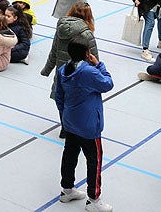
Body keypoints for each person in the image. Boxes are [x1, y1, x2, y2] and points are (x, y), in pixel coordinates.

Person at [54, 36, 115, 212]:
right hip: (88, 127)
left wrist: (66, 113)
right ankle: (94, 200)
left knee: (70, 155)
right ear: (87, 54)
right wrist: (99, 64)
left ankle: (67, 189)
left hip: (70, 121)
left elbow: (59, 96)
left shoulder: (64, 70)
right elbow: (108, 84)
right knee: (94, 161)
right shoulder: (89, 72)